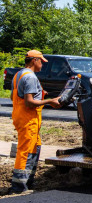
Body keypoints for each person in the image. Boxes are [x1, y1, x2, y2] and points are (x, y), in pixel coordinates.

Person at [9, 50, 61, 194]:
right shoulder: (30, 77)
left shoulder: (18, 75)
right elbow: (29, 102)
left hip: (22, 117)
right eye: (41, 62)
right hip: (28, 119)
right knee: (25, 151)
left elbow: (14, 96)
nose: (42, 65)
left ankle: (28, 181)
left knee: (34, 148)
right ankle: (19, 187)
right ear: (34, 61)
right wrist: (50, 101)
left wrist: (44, 95)